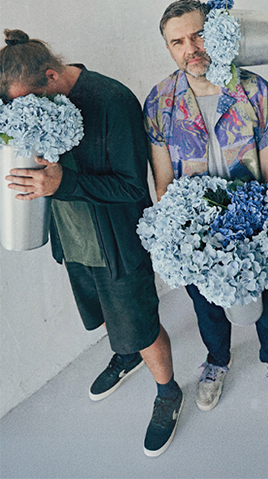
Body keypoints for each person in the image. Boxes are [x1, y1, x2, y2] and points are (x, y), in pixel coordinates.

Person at [0, 29, 183, 456]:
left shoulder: (112, 100)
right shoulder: (24, 95)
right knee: (103, 315)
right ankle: (127, 356)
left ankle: (168, 392)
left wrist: (62, 183)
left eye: (29, 101)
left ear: (51, 76)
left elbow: (132, 188)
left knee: (141, 325)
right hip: (72, 240)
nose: (23, 111)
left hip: (116, 243)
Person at [144, 0, 268, 415]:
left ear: (214, 33)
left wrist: (267, 232)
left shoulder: (256, 91)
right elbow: (163, 182)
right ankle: (217, 361)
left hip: (251, 220)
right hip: (198, 230)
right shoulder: (160, 101)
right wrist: (182, 237)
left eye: (198, 35)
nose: (190, 49)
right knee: (206, 305)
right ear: (169, 48)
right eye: (178, 42)